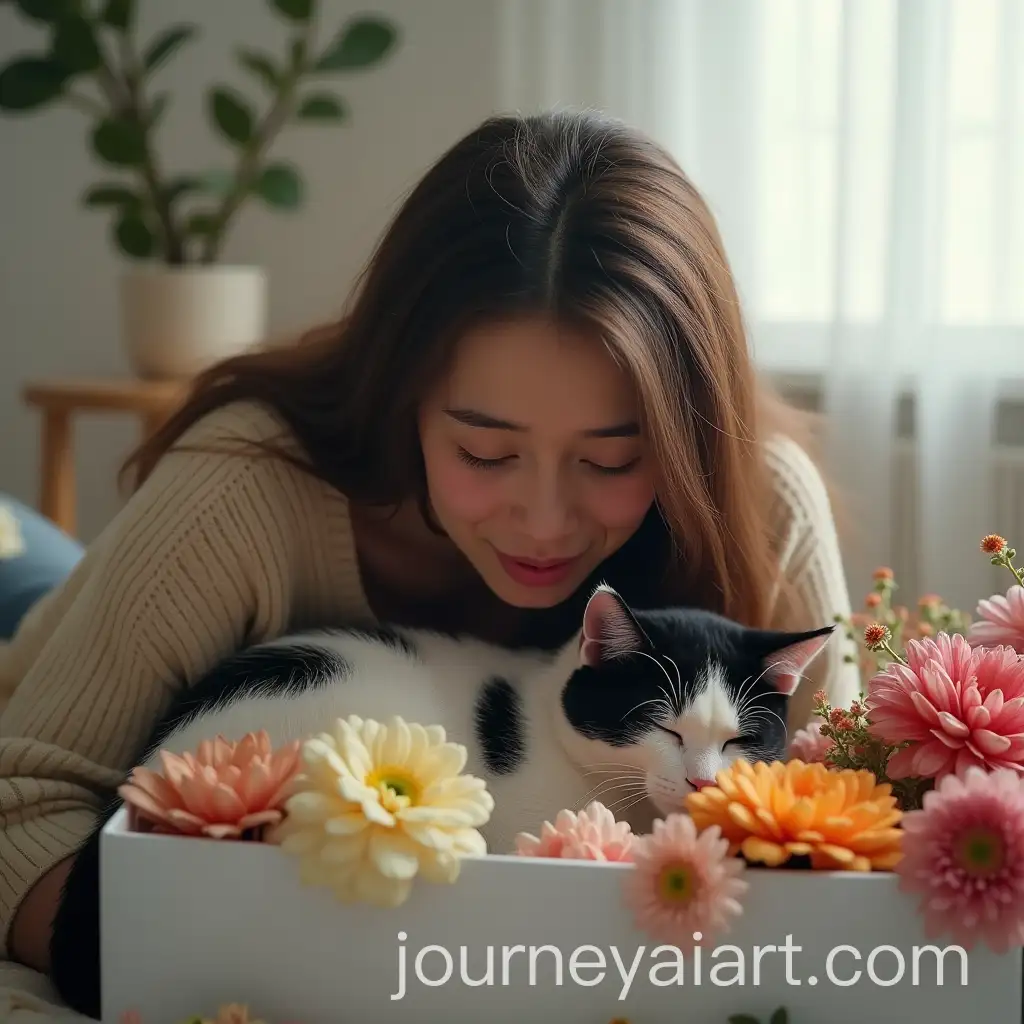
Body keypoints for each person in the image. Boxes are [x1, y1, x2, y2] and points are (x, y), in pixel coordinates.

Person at [0, 109, 858, 983]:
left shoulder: (761, 504)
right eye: (485, 452)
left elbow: (851, 831)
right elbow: (19, 810)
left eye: (611, 459)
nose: (546, 522)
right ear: (402, 393)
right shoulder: (240, 490)